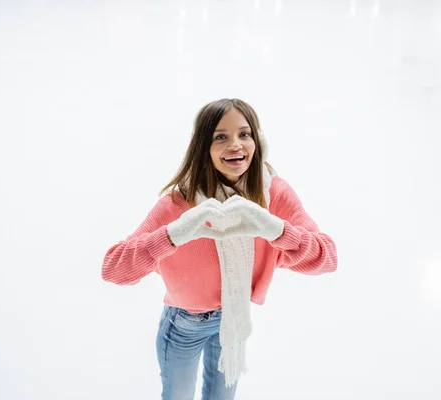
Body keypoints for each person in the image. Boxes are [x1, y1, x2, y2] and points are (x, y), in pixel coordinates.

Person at [101, 98, 338, 400]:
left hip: (233, 319)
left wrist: (277, 230)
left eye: (244, 134)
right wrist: (173, 234)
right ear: (203, 147)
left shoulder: (272, 193)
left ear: (257, 140)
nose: (236, 145)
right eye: (220, 137)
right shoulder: (180, 201)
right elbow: (113, 269)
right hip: (183, 324)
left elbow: (327, 257)